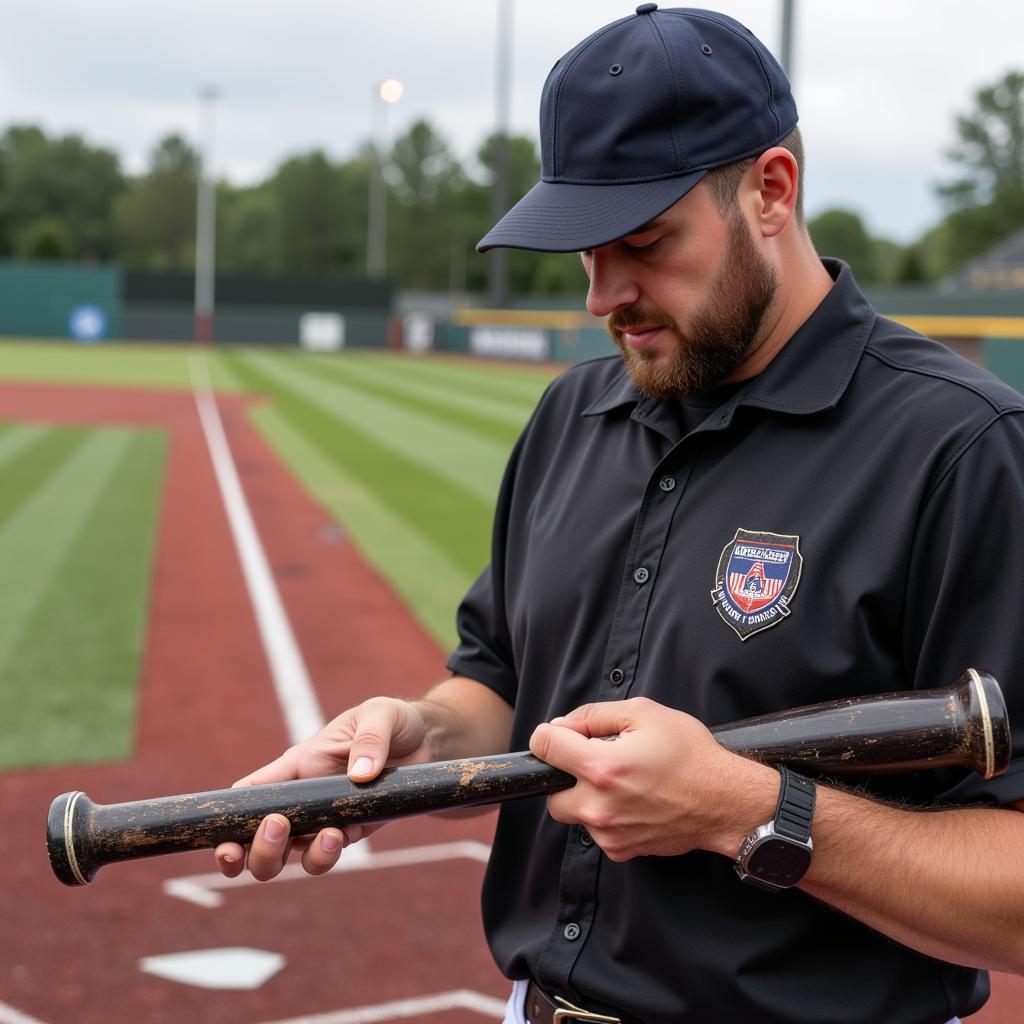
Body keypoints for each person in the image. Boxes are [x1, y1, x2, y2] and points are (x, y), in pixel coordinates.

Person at [217, 7, 1024, 1022]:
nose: (605, 296)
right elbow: (506, 685)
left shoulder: (959, 446)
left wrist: (745, 811)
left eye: (643, 242)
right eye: (582, 253)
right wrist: (417, 737)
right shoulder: (573, 413)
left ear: (770, 191)